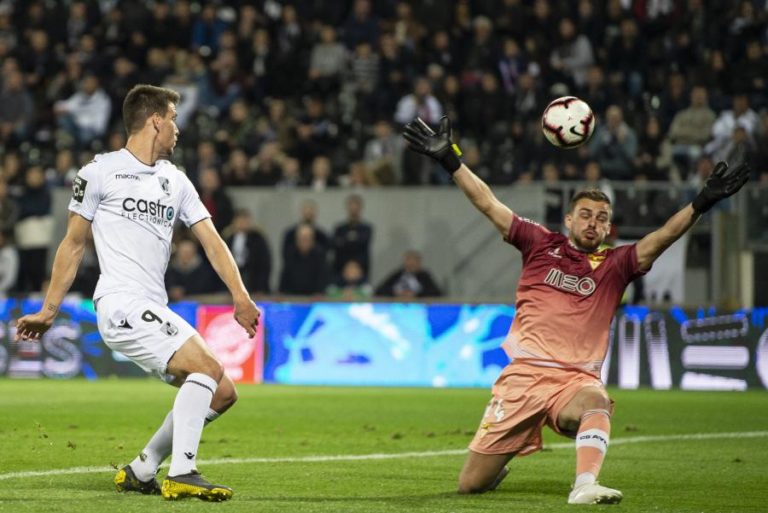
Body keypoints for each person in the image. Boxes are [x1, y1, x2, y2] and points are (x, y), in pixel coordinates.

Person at [402, 115, 749, 504]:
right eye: (585, 214)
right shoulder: (538, 244)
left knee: (597, 401)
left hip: (573, 381)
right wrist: (451, 160)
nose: (593, 222)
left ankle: (585, 484)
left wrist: (701, 202)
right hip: (523, 378)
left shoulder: (617, 265)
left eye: (602, 218)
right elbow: (488, 202)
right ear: (569, 219)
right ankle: (504, 453)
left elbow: (663, 236)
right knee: (470, 485)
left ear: (608, 228)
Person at [14, 85, 260, 502]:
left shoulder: (175, 180)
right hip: (121, 303)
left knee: (223, 391)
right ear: (155, 121)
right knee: (204, 368)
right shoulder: (99, 172)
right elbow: (73, 244)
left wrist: (240, 295)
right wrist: (48, 311)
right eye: (174, 119)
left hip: (151, 303)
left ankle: (143, 468)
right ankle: (183, 471)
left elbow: (212, 241)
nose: (178, 130)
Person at [374, 250, 442, 299]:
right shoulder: (398, 274)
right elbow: (379, 290)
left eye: (413, 263)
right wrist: (396, 293)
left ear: (419, 263)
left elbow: (436, 292)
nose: (410, 265)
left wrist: (416, 295)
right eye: (408, 262)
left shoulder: (424, 276)